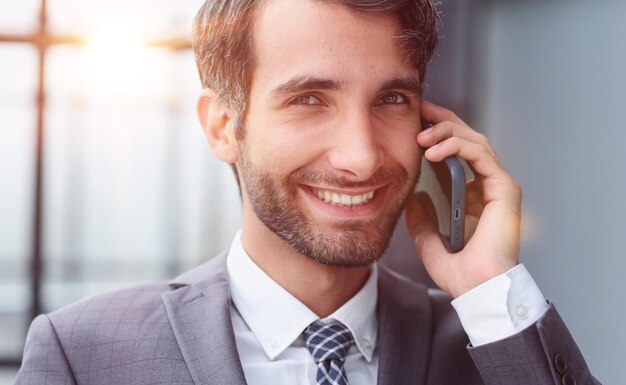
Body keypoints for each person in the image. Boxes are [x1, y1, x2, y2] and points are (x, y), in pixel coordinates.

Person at [14, 0, 599, 384]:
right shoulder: (82, 355)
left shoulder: (496, 344)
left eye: (391, 99)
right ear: (224, 127)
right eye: (309, 99)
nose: (362, 155)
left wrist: (489, 289)